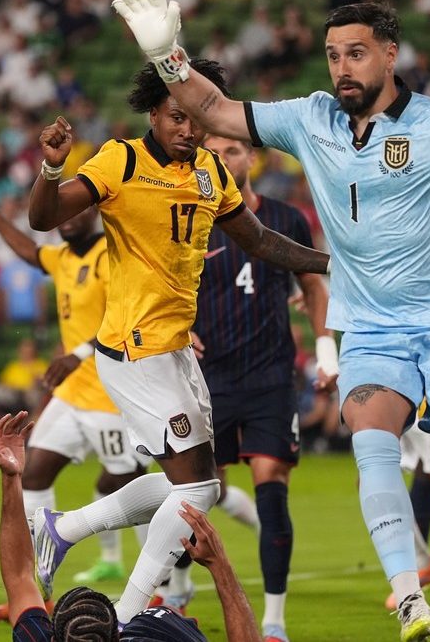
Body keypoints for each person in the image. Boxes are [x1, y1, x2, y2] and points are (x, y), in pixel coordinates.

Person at [110, 0, 430, 639]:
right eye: (332, 55)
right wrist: (167, 57)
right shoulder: (310, 119)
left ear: (390, 54)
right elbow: (216, 108)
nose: (342, 67)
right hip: (371, 328)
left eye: (356, 53)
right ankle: (408, 596)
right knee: (373, 448)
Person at [25, 58, 330, 626]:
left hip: (175, 350)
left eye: (194, 118)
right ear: (152, 114)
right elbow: (43, 218)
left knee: (190, 484)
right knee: (199, 488)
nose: (188, 130)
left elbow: (260, 241)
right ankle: (125, 615)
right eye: (175, 118)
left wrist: (332, 263)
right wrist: (51, 168)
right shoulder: (120, 160)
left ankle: (63, 528)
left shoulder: (210, 170)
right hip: (134, 349)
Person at [0, 157, 152, 621]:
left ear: (95, 211)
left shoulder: (112, 255)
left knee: (135, 488)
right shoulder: (61, 259)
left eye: (76, 209)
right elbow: (26, 248)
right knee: (31, 475)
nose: (67, 219)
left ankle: (165, 591)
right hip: (71, 395)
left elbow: (124, 317)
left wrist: (76, 353)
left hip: (111, 397)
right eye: (61, 212)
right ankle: (37, 592)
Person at [156, 132, 336, 640]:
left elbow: (313, 286)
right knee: (193, 492)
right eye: (213, 152)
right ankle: (179, 586)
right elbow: (163, 285)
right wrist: (178, 328)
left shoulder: (286, 219)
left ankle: (274, 622)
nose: (223, 159)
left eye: (232, 150)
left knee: (271, 485)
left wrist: (326, 352)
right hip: (205, 377)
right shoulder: (188, 217)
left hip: (270, 375)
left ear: (251, 158)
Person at [0, 411, 259, 642]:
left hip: (92, 390)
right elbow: (19, 578)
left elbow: (19, 576)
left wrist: (11, 478)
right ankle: (127, 606)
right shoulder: (157, 632)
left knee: (195, 487)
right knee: (198, 487)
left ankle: (66, 530)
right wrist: (220, 566)